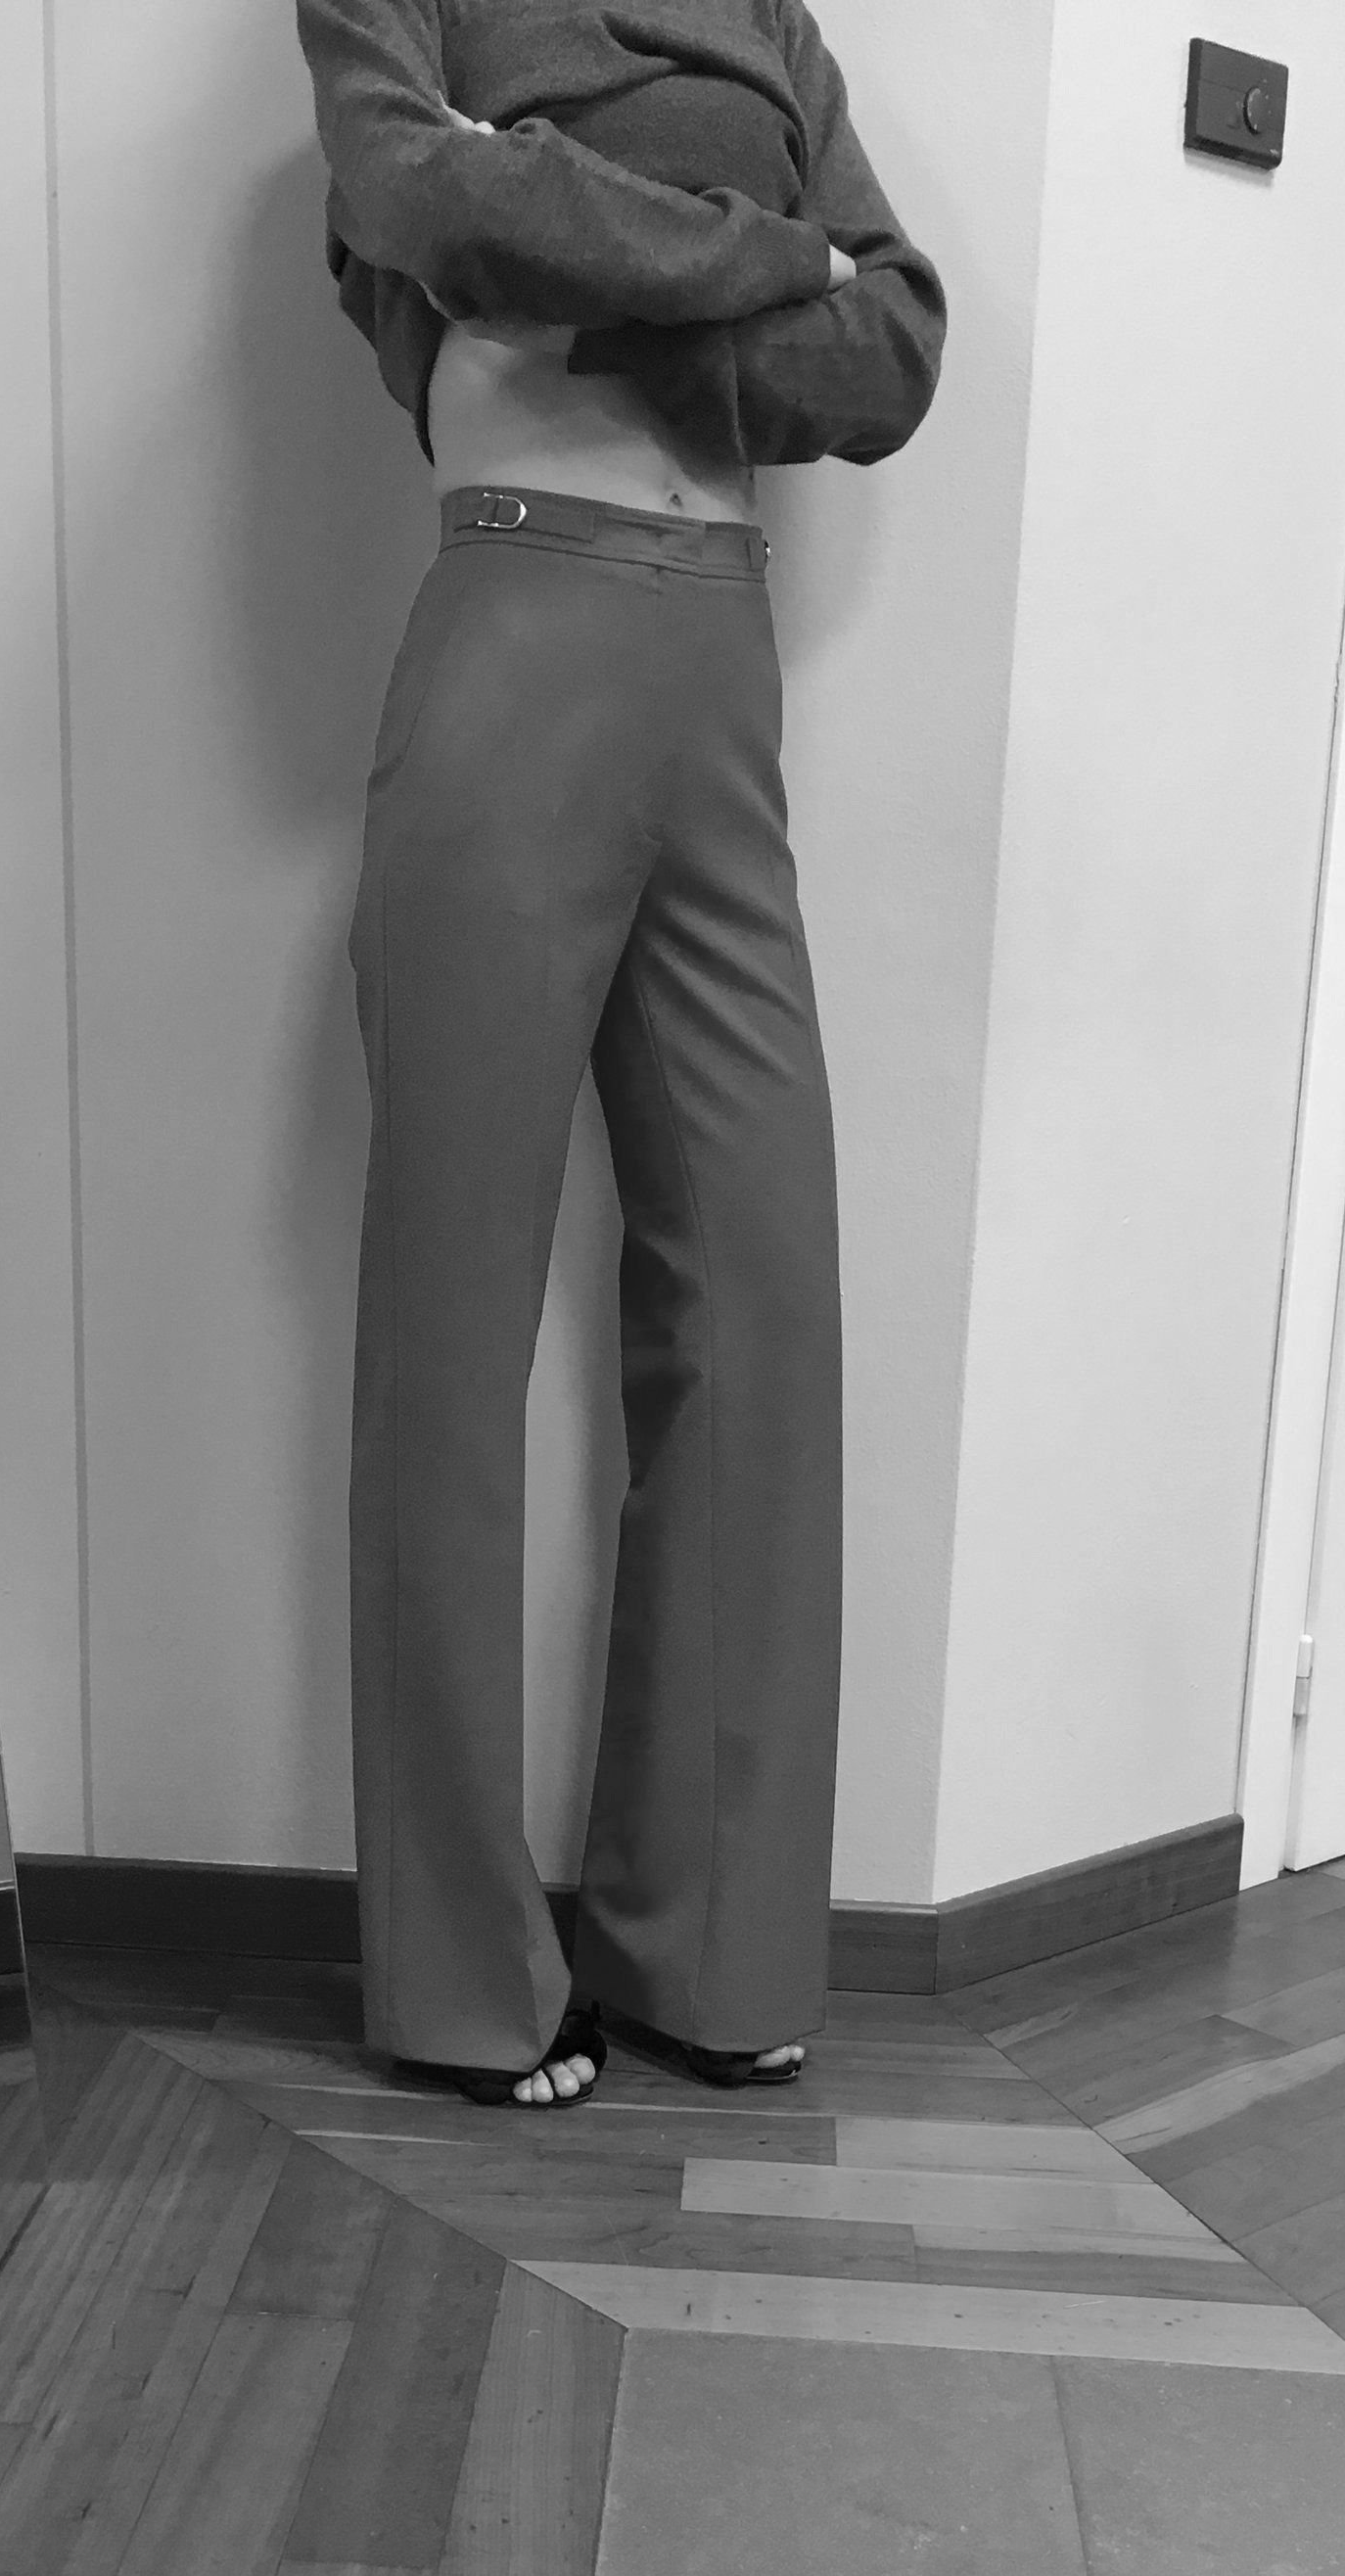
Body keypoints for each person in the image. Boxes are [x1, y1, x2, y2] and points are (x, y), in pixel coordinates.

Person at [297, 0, 942, 2107]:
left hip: (719, 679)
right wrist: (770, 260)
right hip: (512, 633)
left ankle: (709, 1940)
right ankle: (458, 1975)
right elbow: (424, 195)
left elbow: (899, 345)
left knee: (760, 1311)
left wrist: (587, 262)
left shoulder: (770, 19)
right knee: (450, 1336)